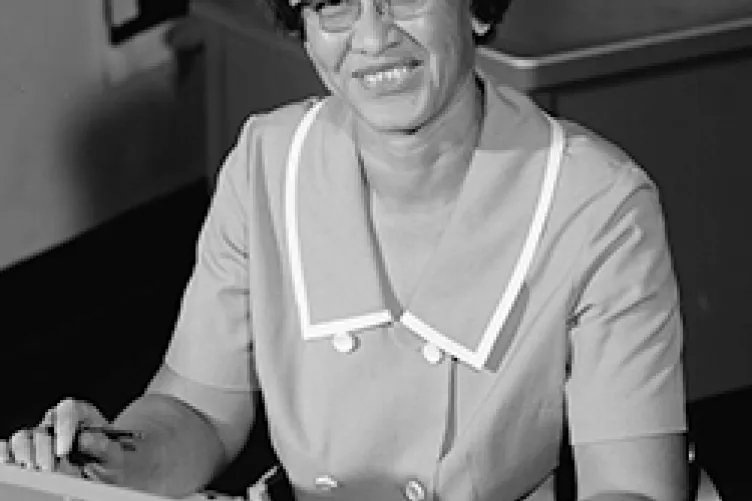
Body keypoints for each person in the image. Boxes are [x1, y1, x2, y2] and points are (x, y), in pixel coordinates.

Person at [0, 0, 689, 499]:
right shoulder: (267, 161)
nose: (372, 35)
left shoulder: (600, 205)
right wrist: (102, 458)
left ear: (477, 11)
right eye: (333, 5)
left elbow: (632, 488)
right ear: (302, 30)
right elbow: (199, 412)